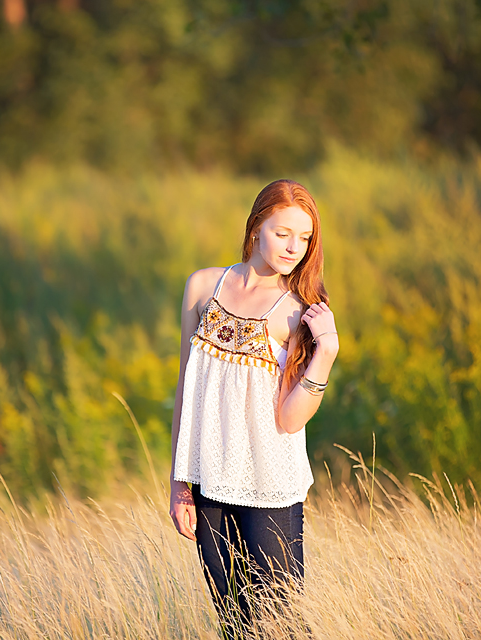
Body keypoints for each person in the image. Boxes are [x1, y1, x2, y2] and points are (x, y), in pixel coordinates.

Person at [168, 179, 338, 639]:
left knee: (281, 626)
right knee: (235, 627)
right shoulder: (203, 287)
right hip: (209, 483)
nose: (294, 248)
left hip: (271, 489)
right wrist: (179, 484)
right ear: (257, 226)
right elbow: (186, 386)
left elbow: (289, 418)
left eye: (305, 238)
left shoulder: (297, 310)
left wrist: (325, 353)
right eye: (283, 233)